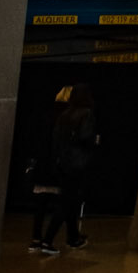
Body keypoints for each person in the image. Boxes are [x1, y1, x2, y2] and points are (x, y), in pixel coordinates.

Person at [35, 84, 97, 254]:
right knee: (68, 202)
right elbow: (85, 137)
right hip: (77, 163)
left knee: (69, 200)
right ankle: (48, 240)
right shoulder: (86, 114)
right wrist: (93, 142)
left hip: (62, 163)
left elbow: (55, 138)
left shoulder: (65, 114)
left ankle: (72, 238)